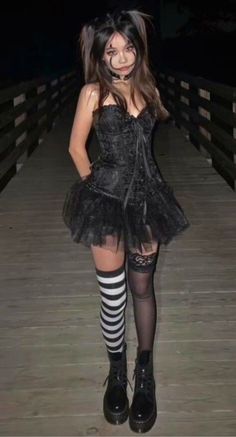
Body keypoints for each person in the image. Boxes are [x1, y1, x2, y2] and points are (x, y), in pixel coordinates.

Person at [62, 9, 190, 433]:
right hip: (107, 200)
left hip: (149, 201)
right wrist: (94, 191)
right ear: (99, 54)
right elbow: (77, 148)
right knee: (112, 296)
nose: (121, 58)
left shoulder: (148, 86)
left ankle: (145, 373)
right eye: (112, 51)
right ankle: (117, 371)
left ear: (138, 49)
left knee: (142, 289)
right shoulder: (91, 93)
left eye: (128, 47)